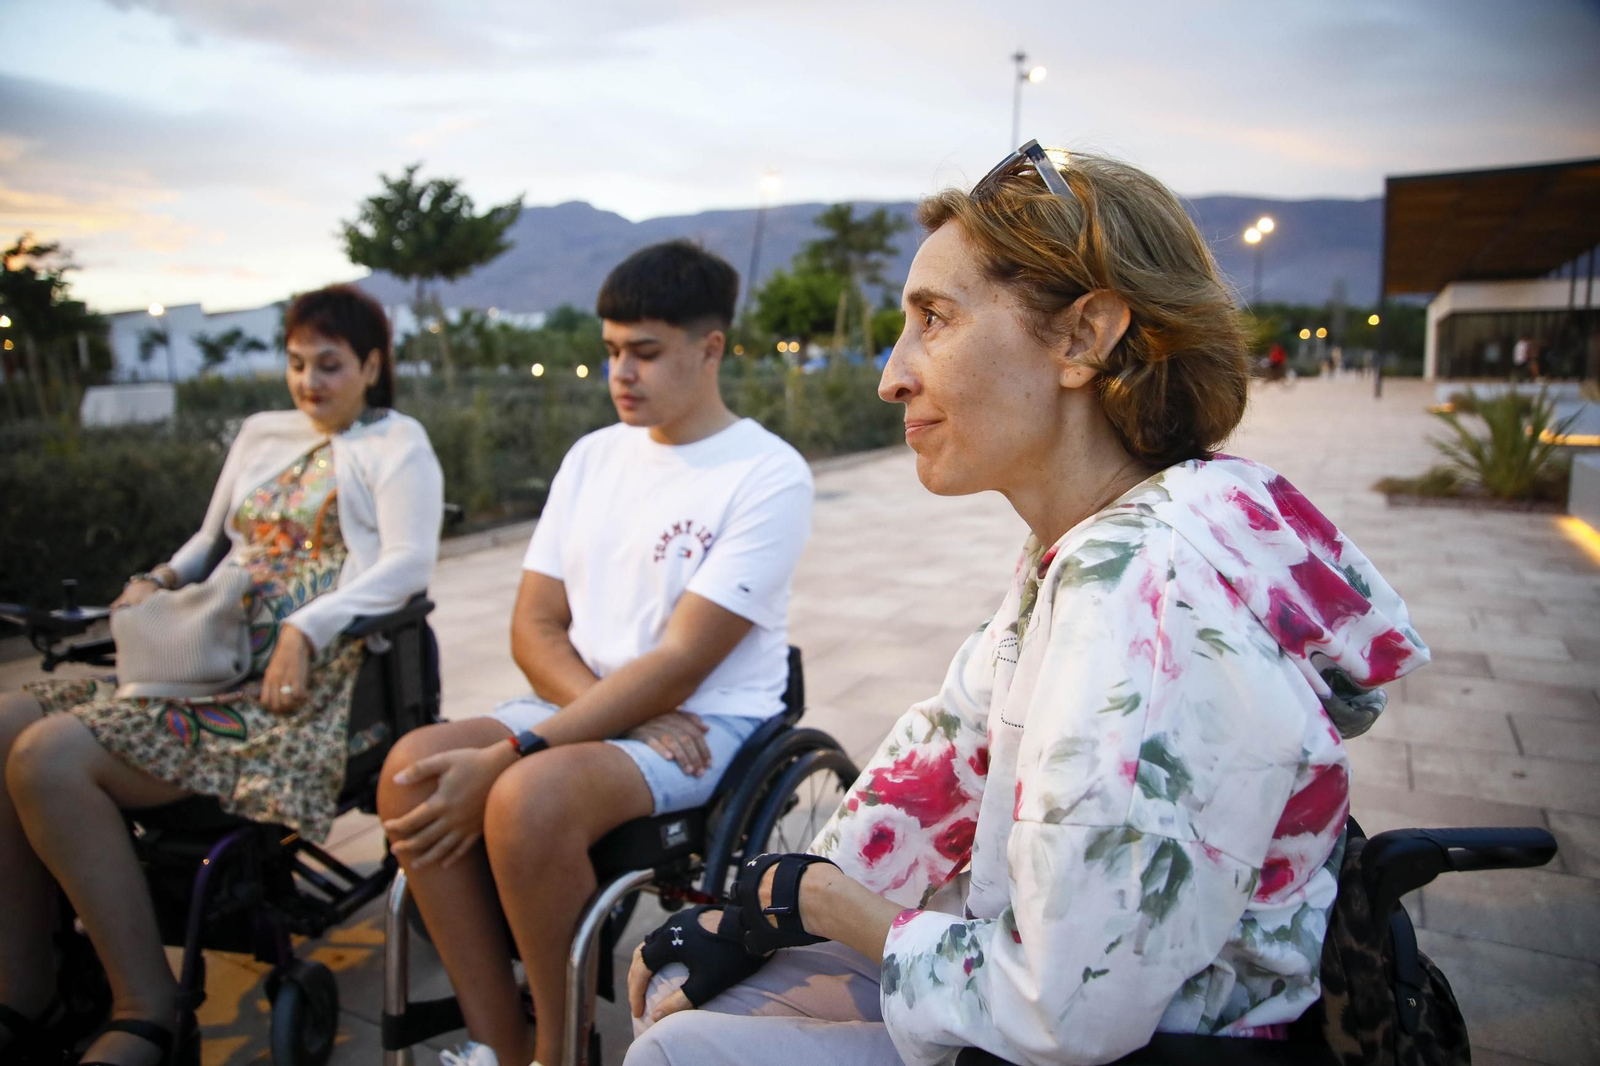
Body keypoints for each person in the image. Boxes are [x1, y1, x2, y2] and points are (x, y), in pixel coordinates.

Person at [624, 144, 1431, 1066]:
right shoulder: (1087, 543)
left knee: (674, 1053)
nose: (892, 376)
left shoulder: (1149, 591)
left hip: (1160, 1044)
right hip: (1056, 995)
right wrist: (755, 912)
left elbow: (1065, 1009)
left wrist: (817, 904)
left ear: (1083, 337)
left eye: (935, 319)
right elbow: (951, 748)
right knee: (706, 1014)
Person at [376, 240, 814, 1066]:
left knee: (524, 798)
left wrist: (528, 747)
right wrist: (591, 719)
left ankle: (560, 1047)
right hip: (610, 702)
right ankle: (501, 1042)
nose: (621, 372)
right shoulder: (592, 457)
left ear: (710, 347)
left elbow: (686, 660)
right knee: (410, 770)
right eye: (611, 350)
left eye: (645, 352)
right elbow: (533, 626)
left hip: (707, 718)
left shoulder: (766, 473)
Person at [0, 284, 444, 1066]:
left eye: (330, 366)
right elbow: (208, 543)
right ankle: (29, 986)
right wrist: (159, 580)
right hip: (207, 659)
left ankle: (148, 1007)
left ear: (373, 366)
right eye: (298, 364)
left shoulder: (397, 443)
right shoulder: (263, 433)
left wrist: (307, 628)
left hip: (296, 694)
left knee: (49, 758)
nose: (309, 383)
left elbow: (410, 563)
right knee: (5, 720)